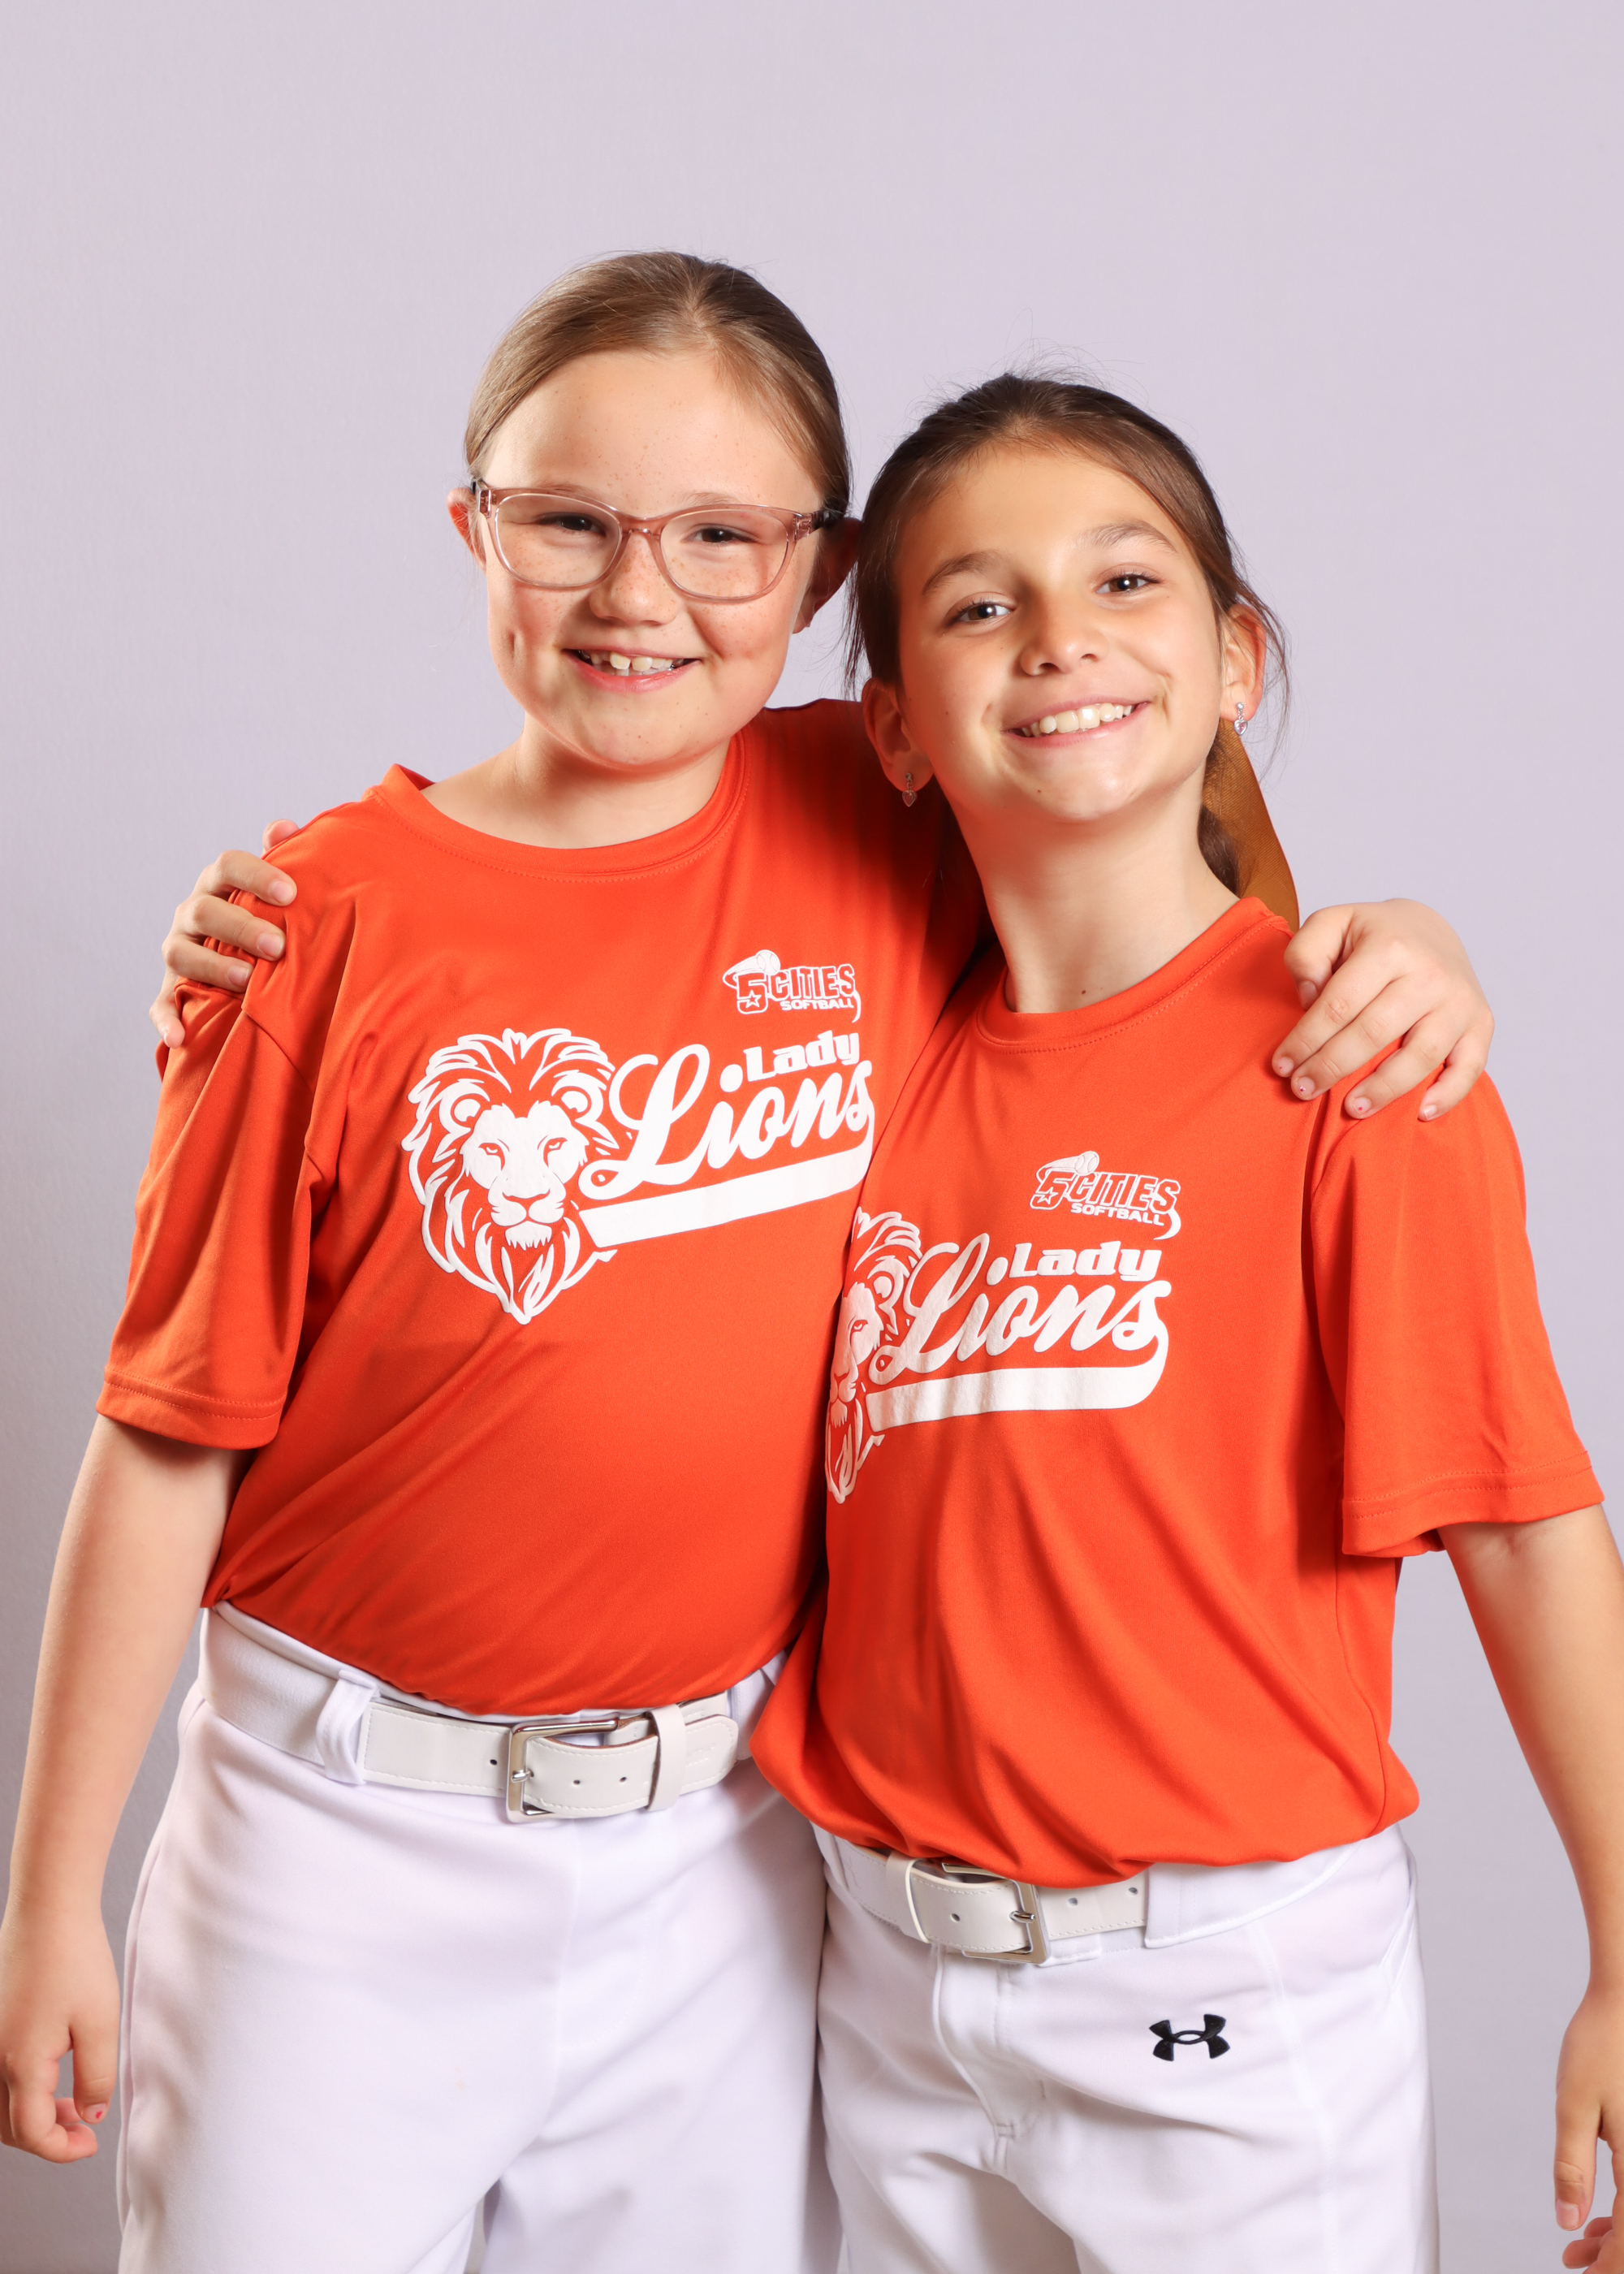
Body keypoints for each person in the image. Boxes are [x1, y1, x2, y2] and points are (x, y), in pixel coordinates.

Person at [0, 254, 1492, 2274]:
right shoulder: (322, 919)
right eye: (569, 522)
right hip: (340, 1834)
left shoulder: (872, 796)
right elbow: (167, 1432)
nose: (641, 593)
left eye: (720, 536)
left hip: (721, 1851)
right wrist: (50, 1892)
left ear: (817, 571)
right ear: (476, 529)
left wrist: (1392, 941)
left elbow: (1136, 831)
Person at [749, 372, 1621, 2274]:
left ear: (1235, 659)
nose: (1059, 635)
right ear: (890, 726)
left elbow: (1522, 1524)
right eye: (978, 602)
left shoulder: (1358, 1065)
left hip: (1219, 1987)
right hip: (879, 1985)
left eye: (1125, 579)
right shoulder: (862, 1072)